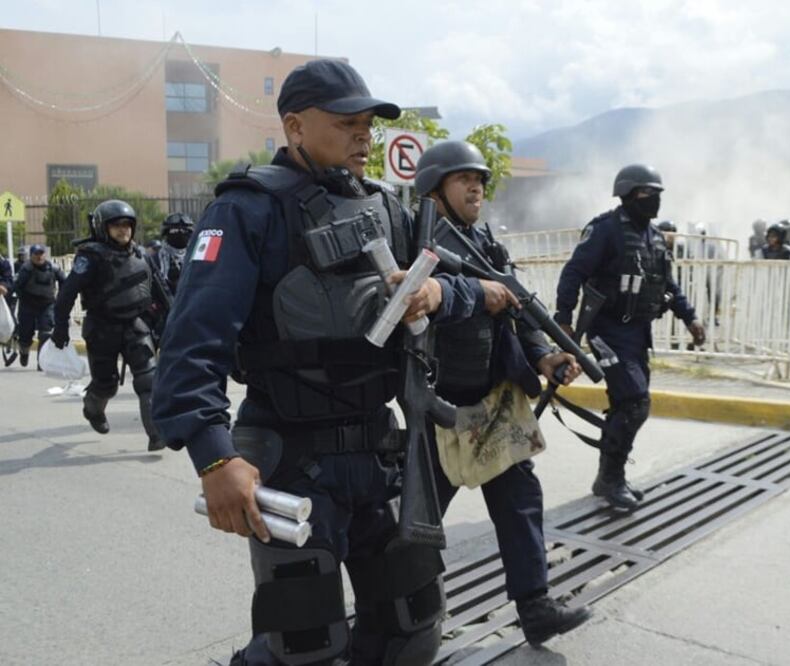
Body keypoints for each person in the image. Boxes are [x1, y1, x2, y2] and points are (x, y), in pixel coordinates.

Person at [151, 59, 483, 665]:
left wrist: (438, 293)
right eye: (347, 123)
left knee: (412, 630)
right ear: (296, 127)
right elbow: (189, 346)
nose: (364, 136)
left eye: (369, 124)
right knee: (303, 646)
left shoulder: (389, 208)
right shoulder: (247, 209)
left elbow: (460, 285)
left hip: (380, 456)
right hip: (292, 459)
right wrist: (214, 454)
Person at [414, 140, 594, 646]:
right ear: (434, 190)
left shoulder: (484, 242)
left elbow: (518, 309)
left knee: (520, 502)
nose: (476, 187)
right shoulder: (420, 244)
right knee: (415, 521)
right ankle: (393, 611)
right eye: (463, 179)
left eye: (480, 180)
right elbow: (415, 305)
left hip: (493, 403)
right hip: (440, 408)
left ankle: (535, 607)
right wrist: (472, 296)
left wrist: (544, 356)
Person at [554, 164, 705, 511]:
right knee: (636, 402)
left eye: (657, 194)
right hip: (607, 330)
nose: (653, 200)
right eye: (645, 194)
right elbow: (574, 272)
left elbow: (668, 285)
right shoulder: (606, 230)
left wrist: (691, 318)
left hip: (638, 334)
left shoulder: (654, 238)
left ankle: (610, 476)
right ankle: (610, 479)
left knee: (627, 405)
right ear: (626, 195)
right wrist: (563, 319)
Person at [51, 202, 162, 449]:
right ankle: (93, 410)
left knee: (149, 380)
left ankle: (156, 434)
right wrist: (59, 327)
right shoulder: (90, 257)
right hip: (102, 329)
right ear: (103, 228)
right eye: (116, 225)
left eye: (127, 225)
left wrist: (170, 321)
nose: (123, 230)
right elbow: (67, 293)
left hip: (136, 326)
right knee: (106, 384)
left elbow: (158, 290)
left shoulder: (141, 254)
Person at [13, 244, 64, 368]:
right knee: (25, 334)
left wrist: (61, 299)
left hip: (47, 305)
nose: (39, 257)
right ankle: (24, 352)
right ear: (31, 256)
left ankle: (41, 361)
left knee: (45, 333)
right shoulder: (26, 269)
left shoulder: (54, 268)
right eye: (36, 254)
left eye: (41, 254)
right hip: (28, 306)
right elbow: (17, 286)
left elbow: (65, 282)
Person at [146, 212, 195, 341]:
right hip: (162, 322)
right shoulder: (154, 261)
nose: (179, 234)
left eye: (184, 231)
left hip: (192, 318)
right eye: (174, 231)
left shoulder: (197, 258)